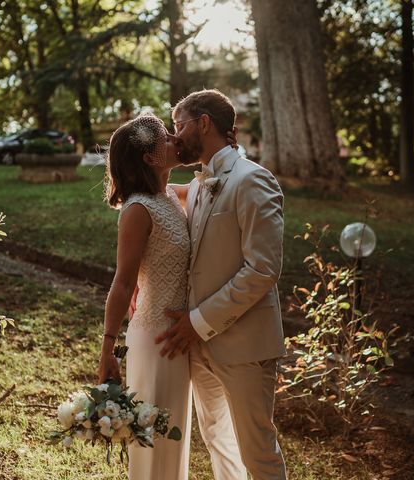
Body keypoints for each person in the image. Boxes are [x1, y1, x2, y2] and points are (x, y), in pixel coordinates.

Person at [155, 89, 288, 480]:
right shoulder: (198, 185)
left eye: (179, 126)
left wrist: (197, 321)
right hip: (199, 345)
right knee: (217, 441)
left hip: (244, 344)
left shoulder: (253, 180)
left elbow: (262, 270)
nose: (175, 137)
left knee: (258, 452)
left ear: (204, 123)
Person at [97, 114, 192, 480]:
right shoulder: (138, 209)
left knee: (172, 442)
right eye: (168, 138)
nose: (175, 140)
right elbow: (122, 283)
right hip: (155, 339)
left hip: (179, 336)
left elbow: (210, 187)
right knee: (153, 441)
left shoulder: (168, 194)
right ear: (151, 157)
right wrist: (108, 348)